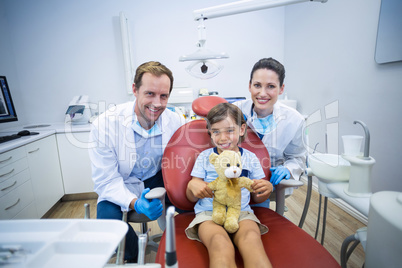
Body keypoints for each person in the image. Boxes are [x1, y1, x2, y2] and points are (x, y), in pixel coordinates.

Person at [88, 61, 184, 262]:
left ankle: (179, 249)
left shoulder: (174, 121)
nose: (157, 103)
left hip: (157, 179)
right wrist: (134, 203)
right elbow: (106, 181)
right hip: (121, 182)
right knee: (109, 222)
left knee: (192, 205)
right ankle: (132, 257)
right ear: (135, 89)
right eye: (150, 93)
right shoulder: (105, 125)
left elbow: (181, 162)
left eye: (163, 96)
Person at [185, 102, 273, 268]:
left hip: (242, 212)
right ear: (210, 132)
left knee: (252, 241)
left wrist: (266, 189)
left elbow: (258, 194)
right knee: (219, 243)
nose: (222, 137)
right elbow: (191, 196)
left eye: (229, 130)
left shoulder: (251, 158)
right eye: (216, 131)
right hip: (209, 214)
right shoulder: (205, 158)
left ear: (241, 129)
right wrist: (193, 185)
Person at [233, 58, 306, 199]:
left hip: (271, 185)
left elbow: (297, 157)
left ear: (281, 89)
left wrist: (288, 169)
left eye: (271, 86)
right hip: (234, 181)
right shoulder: (234, 111)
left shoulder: (294, 120)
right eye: (257, 85)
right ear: (249, 86)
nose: (262, 93)